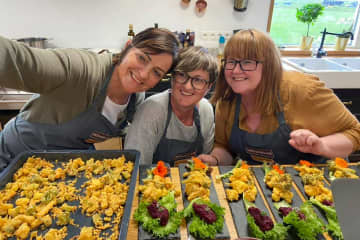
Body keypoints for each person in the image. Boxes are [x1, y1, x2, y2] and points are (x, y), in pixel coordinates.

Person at [0, 27, 180, 172]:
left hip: (64, 166)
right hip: (16, 157)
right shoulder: (81, 69)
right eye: (142, 58)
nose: (143, 74)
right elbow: (18, 59)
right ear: (127, 47)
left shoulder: (135, 98)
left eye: (156, 72)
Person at [198, 29, 360, 166]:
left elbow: (355, 132)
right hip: (258, 190)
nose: (235, 71)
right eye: (231, 61)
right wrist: (214, 159)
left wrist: (321, 145)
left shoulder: (302, 91)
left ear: (268, 66)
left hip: (312, 187)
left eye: (247, 62)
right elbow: (224, 147)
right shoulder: (228, 98)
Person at [124, 46, 219, 166]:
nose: (187, 86)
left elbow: (205, 164)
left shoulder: (206, 111)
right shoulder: (152, 110)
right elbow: (135, 168)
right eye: (182, 75)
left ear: (209, 87)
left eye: (198, 80)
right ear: (172, 78)